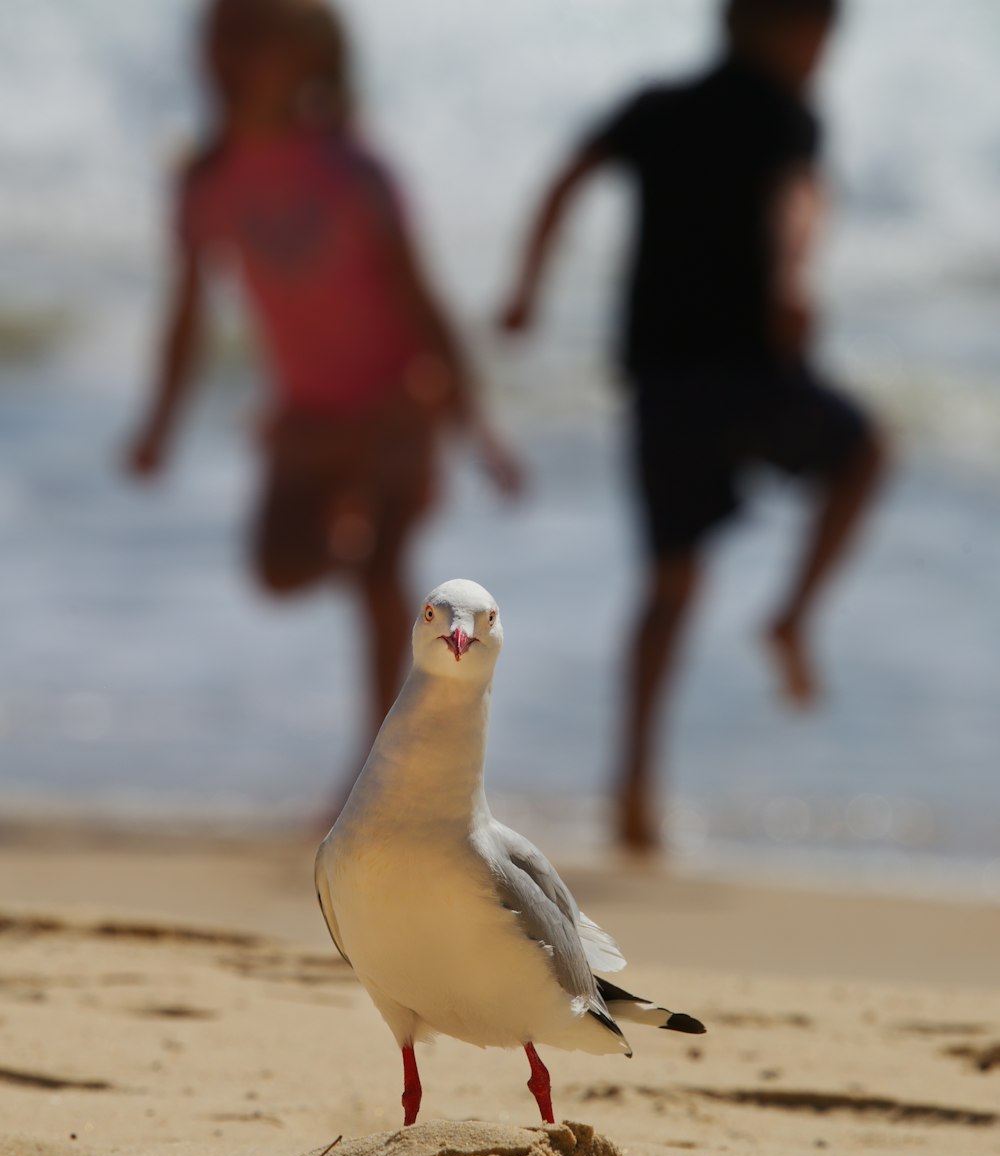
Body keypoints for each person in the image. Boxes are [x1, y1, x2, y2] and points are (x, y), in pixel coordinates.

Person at [498, 0, 886, 853]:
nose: (826, 49)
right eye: (822, 30)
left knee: (669, 589)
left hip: (664, 387)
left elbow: (568, 178)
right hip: (752, 377)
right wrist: (792, 281)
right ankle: (792, 615)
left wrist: (528, 284)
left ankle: (634, 791)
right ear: (781, 29)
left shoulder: (657, 105)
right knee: (865, 453)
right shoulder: (787, 115)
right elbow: (798, 201)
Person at [127, 0, 522, 803]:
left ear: (308, 59)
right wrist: (159, 425)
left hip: (393, 407)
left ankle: (376, 775)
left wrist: (478, 427)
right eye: (218, 40)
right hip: (307, 417)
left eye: (252, 40)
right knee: (277, 571)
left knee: (380, 578)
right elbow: (186, 315)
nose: (230, 58)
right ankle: (376, 567)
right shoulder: (206, 180)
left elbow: (422, 301)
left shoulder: (353, 170)